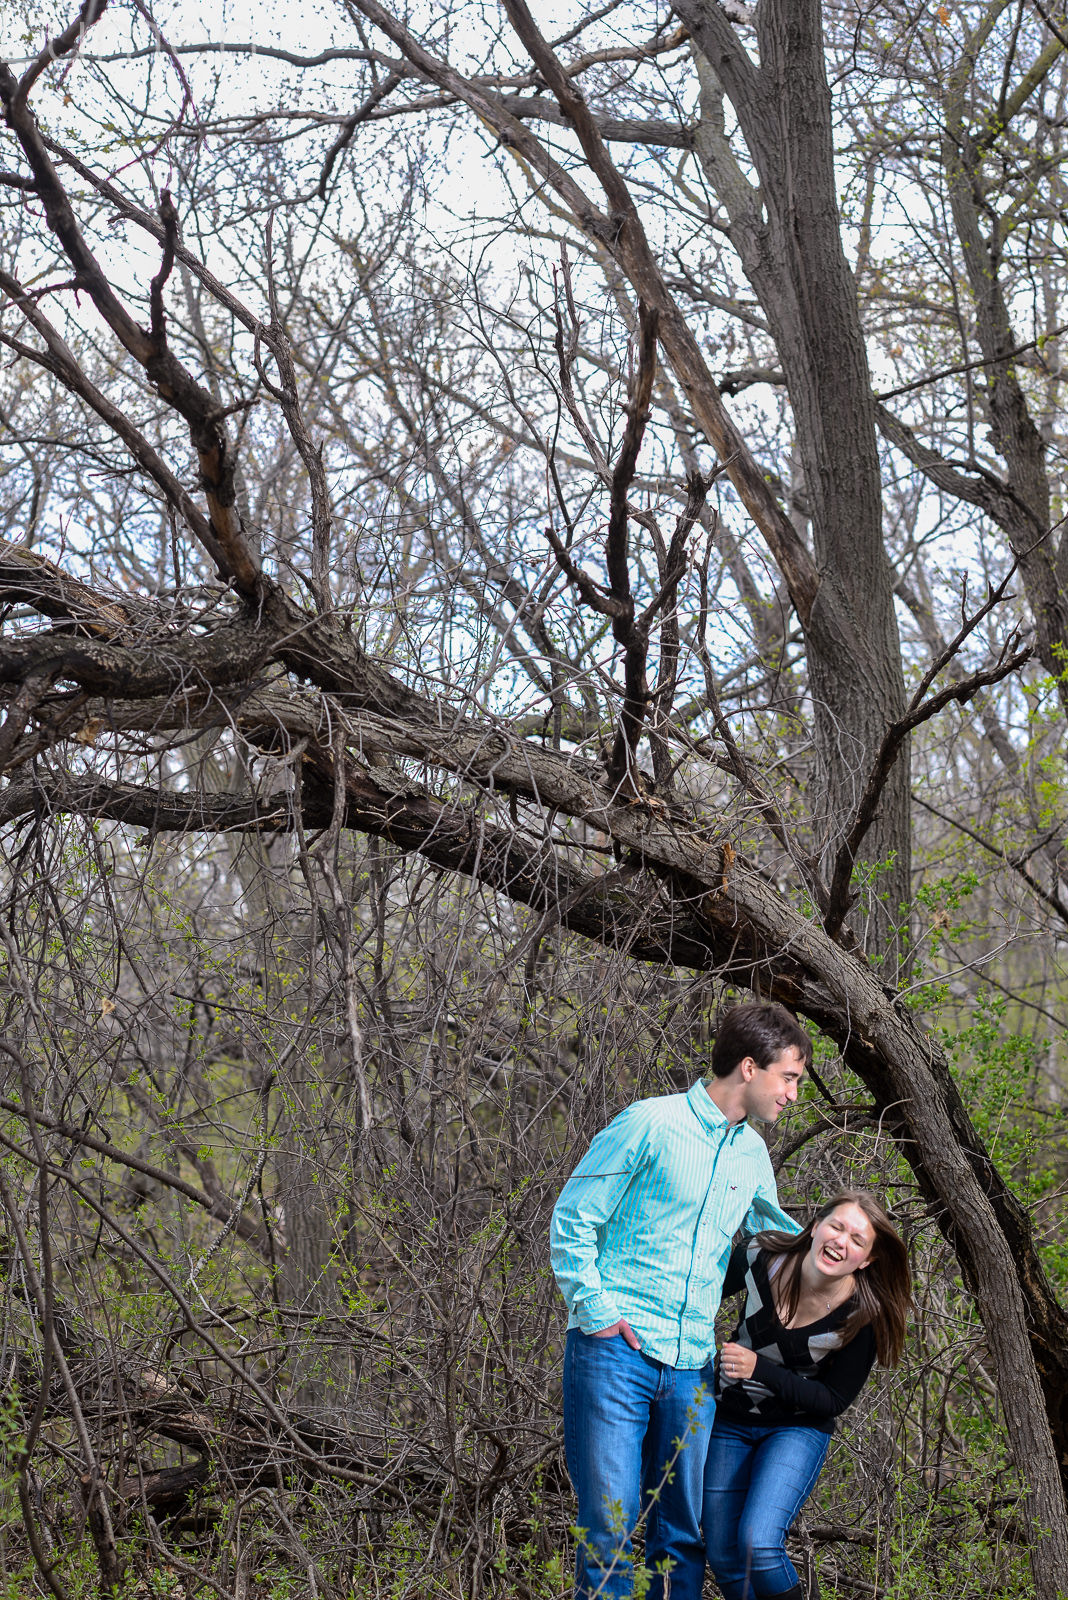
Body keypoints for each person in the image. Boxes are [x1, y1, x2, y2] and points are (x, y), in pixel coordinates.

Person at [550, 1001, 812, 1600]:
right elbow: (572, 1220)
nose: (793, 1095)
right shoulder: (648, 1123)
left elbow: (777, 1242)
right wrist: (598, 1314)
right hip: (616, 1353)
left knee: (682, 1537)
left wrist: (853, 1262)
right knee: (609, 1534)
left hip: (694, 1368)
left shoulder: (752, 1156)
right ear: (750, 1067)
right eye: (789, 1078)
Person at [705, 1190, 912, 1600]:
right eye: (837, 1226)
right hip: (727, 1420)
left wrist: (758, 1368)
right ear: (815, 1226)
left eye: (857, 1240)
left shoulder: (863, 1314)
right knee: (724, 1553)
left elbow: (833, 1401)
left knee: (759, 1544)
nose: (841, 1241)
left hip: (796, 1429)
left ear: (867, 1259)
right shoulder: (759, 1255)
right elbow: (698, 1295)